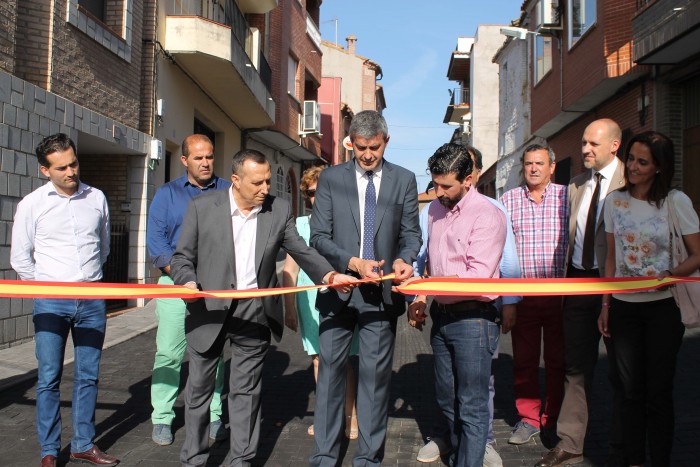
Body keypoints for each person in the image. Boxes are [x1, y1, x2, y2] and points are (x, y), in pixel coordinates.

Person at [171, 149, 356, 467]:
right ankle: (194, 459)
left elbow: (301, 250)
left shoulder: (278, 210)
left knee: (246, 393)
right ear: (235, 181)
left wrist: (329, 274)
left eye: (269, 181)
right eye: (258, 182)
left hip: (254, 312)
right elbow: (181, 257)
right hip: (209, 311)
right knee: (199, 392)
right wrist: (186, 280)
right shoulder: (202, 208)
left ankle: (241, 460)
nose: (266, 188)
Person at [309, 110, 422, 466]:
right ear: (350, 144)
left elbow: (411, 233)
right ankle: (325, 457)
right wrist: (352, 262)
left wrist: (405, 258)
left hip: (381, 296)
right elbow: (318, 237)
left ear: (385, 141)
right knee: (329, 378)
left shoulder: (404, 179)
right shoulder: (330, 178)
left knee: (374, 382)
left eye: (374, 147)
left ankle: (368, 459)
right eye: (360, 148)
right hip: (339, 289)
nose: (368, 155)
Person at [10, 133, 118, 467]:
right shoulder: (32, 205)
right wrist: (46, 287)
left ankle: (83, 444)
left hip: (92, 300)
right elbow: (20, 258)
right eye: (61, 167)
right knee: (48, 378)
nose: (71, 171)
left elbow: (103, 246)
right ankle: (48, 450)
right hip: (51, 302)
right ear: (46, 170)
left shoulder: (97, 197)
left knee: (88, 375)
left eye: (73, 163)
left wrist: (87, 280)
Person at [598, 131, 700, 466]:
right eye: (631, 159)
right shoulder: (615, 201)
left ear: (659, 167)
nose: (633, 167)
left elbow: (697, 254)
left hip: (663, 309)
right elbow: (612, 258)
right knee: (628, 392)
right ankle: (634, 461)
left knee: (658, 393)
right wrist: (606, 305)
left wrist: (667, 276)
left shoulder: (675, 201)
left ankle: (660, 460)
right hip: (624, 310)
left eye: (643, 161)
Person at [415, 146, 521, 467]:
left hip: (475, 321)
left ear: (469, 179)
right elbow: (426, 259)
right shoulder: (433, 210)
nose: (439, 192)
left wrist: (428, 286)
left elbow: (476, 277)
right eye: (435, 184)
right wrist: (418, 292)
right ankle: (462, 457)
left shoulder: (489, 215)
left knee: (472, 406)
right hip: (442, 317)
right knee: (448, 401)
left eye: (447, 186)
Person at [535, 118, 625, 467]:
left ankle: (623, 445)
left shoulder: (629, 183)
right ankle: (571, 442)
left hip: (617, 288)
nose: (585, 149)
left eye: (593, 145)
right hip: (577, 285)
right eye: (584, 143)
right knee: (576, 367)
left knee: (622, 369)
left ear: (614, 146)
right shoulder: (575, 185)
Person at [146, 134, 229, 446]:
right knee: (169, 352)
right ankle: (162, 417)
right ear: (184, 161)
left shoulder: (227, 190)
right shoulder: (166, 195)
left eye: (209, 156)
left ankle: (215, 413)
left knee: (213, 353)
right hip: (173, 285)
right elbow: (157, 245)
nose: (206, 162)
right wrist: (183, 278)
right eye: (198, 158)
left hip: (215, 286)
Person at [282, 166, 359, 440]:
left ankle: (351, 417)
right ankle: (327, 418)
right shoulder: (300, 225)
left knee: (346, 360)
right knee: (319, 360)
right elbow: (289, 270)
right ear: (307, 196)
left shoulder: (349, 222)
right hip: (309, 297)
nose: (318, 196)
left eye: (323, 190)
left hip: (344, 296)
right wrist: (289, 308)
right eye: (312, 192)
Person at [501, 144, 568, 446]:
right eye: (528, 163)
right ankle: (528, 418)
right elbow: (503, 250)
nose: (533, 169)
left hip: (559, 295)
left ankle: (553, 418)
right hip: (523, 295)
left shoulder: (567, 198)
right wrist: (508, 299)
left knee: (557, 361)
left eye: (539, 163)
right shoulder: (509, 200)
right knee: (525, 361)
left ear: (552, 167)